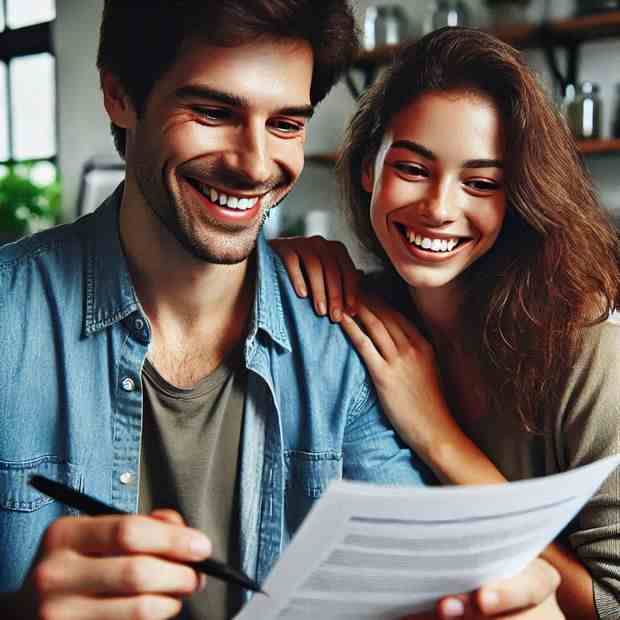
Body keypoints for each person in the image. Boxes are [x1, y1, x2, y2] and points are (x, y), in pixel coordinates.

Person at [0, 3, 562, 619]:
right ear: (119, 95)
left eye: (287, 124)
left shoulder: (342, 338)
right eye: (214, 112)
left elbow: (410, 586)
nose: (254, 164)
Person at [272, 26, 620, 620]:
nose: (439, 207)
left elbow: (610, 602)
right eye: (412, 168)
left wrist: (437, 435)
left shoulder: (584, 346)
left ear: (517, 198)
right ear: (367, 168)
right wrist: (274, 263)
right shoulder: (358, 311)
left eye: (481, 184)